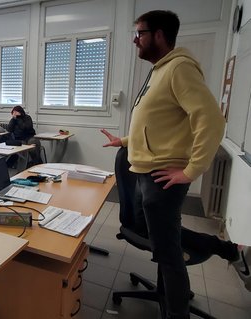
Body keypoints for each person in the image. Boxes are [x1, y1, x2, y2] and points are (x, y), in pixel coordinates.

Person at [100, 10, 239, 318]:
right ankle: (227, 249)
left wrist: (191, 170)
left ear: (159, 35)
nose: (135, 40)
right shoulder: (159, 70)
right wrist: (124, 141)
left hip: (161, 178)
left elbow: (212, 120)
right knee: (157, 235)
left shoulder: (179, 69)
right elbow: (159, 122)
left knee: (168, 257)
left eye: (140, 34)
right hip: (145, 173)